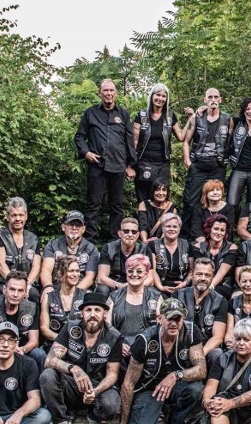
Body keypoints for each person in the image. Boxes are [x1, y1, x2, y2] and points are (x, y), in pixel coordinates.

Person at [116, 298, 207, 424]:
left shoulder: (191, 332)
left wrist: (175, 375)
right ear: (159, 319)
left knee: (195, 389)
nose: (174, 323)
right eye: (170, 318)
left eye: (178, 318)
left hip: (177, 384)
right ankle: (146, 415)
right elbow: (128, 383)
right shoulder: (144, 340)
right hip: (150, 389)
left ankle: (174, 421)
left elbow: (201, 370)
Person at [40, 292, 123, 424]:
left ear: (105, 314)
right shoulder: (70, 328)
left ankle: (94, 417)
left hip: (97, 384)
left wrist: (95, 391)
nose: (93, 314)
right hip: (71, 382)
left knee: (111, 404)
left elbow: (113, 374)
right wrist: (73, 369)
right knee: (47, 376)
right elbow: (49, 360)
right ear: (82, 313)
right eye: (88, 310)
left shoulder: (114, 336)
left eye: (97, 310)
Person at [75, 79, 137, 240]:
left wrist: (131, 165)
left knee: (117, 206)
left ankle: (115, 240)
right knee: (93, 204)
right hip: (97, 165)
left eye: (111, 90)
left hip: (118, 165)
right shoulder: (90, 113)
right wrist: (86, 152)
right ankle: (89, 241)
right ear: (100, 93)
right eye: (105, 90)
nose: (108, 93)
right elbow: (79, 137)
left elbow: (129, 141)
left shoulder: (123, 114)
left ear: (116, 93)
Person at [181, 88, 232, 227]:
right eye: (210, 97)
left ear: (220, 100)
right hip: (198, 166)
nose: (213, 99)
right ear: (205, 100)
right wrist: (188, 161)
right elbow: (186, 141)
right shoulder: (196, 117)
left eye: (216, 97)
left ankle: (212, 232)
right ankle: (187, 234)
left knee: (215, 201)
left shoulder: (228, 119)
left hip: (217, 167)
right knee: (191, 201)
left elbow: (232, 141)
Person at [132, 82, 184, 205]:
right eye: (158, 95)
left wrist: (192, 118)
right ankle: (144, 218)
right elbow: (133, 143)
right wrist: (130, 165)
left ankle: (160, 218)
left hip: (162, 165)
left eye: (163, 96)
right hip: (143, 163)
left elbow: (181, 137)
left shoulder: (170, 116)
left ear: (166, 99)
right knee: (143, 200)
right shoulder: (141, 115)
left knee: (160, 197)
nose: (160, 98)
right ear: (152, 96)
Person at [0, 271, 44, 369]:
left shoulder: (32, 308)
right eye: (12, 289)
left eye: (20, 290)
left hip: (22, 350)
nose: (15, 294)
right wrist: (8, 351)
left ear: (25, 293)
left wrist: (23, 349)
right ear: (4, 290)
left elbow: (34, 341)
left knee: (39, 354)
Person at [176, 258, 228, 366]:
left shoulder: (220, 301)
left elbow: (218, 337)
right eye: (199, 274)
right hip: (181, 345)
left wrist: (199, 355)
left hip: (205, 347)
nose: (203, 278)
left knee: (217, 354)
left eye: (207, 275)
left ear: (212, 277)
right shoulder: (178, 295)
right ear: (192, 275)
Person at [0, 197, 42, 300]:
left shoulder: (33, 238)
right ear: (7, 217)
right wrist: (14, 286)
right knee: (2, 296)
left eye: (21, 215)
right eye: (14, 215)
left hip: (27, 284)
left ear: (26, 216)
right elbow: (0, 264)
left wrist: (27, 285)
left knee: (34, 295)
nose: (18, 218)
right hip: (2, 282)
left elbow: (36, 266)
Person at [40, 210, 99, 294]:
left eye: (78, 225)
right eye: (71, 224)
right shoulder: (52, 245)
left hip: (81, 288)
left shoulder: (91, 249)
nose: (74, 228)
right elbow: (46, 270)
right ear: (63, 227)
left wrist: (74, 293)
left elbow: (90, 277)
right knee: (45, 294)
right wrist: (48, 287)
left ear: (83, 229)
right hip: (56, 287)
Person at [108, 254, 164, 338]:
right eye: (130, 271)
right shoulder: (114, 296)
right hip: (119, 343)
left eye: (139, 271)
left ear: (146, 274)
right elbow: (107, 326)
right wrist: (118, 342)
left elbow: (162, 325)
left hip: (147, 343)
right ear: (126, 272)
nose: (134, 274)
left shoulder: (156, 297)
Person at [226, 97, 251, 207]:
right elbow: (219, 116)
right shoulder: (236, 123)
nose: (250, 112)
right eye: (247, 109)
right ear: (244, 111)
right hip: (238, 170)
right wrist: (203, 109)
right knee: (231, 202)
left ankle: (247, 219)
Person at [97, 217, 148, 293]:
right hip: (115, 285)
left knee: (152, 291)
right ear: (119, 233)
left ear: (138, 235)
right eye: (126, 231)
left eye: (134, 232)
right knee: (102, 289)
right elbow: (101, 278)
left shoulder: (145, 249)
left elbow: (151, 278)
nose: (130, 234)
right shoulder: (108, 248)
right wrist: (119, 286)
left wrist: (133, 285)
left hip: (137, 285)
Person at [40, 255, 83, 345]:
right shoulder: (48, 297)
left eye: (77, 271)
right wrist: (63, 340)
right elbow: (44, 328)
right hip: (55, 344)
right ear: (60, 273)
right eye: (71, 271)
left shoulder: (85, 296)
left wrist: (74, 343)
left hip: (79, 345)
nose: (75, 274)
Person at [147, 213, 192, 295]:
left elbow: (192, 270)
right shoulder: (153, 245)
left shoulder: (188, 245)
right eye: (168, 226)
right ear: (162, 228)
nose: (171, 229)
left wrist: (184, 284)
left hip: (183, 287)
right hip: (159, 287)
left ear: (179, 229)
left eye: (175, 226)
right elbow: (152, 270)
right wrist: (161, 287)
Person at [194, 215, 238, 298]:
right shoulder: (199, 247)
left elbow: (222, 273)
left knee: (216, 293)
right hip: (202, 282)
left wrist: (209, 288)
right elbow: (198, 270)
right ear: (209, 229)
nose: (219, 233)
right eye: (216, 229)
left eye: (222, 230)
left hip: (223, 286)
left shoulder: (231, 248)